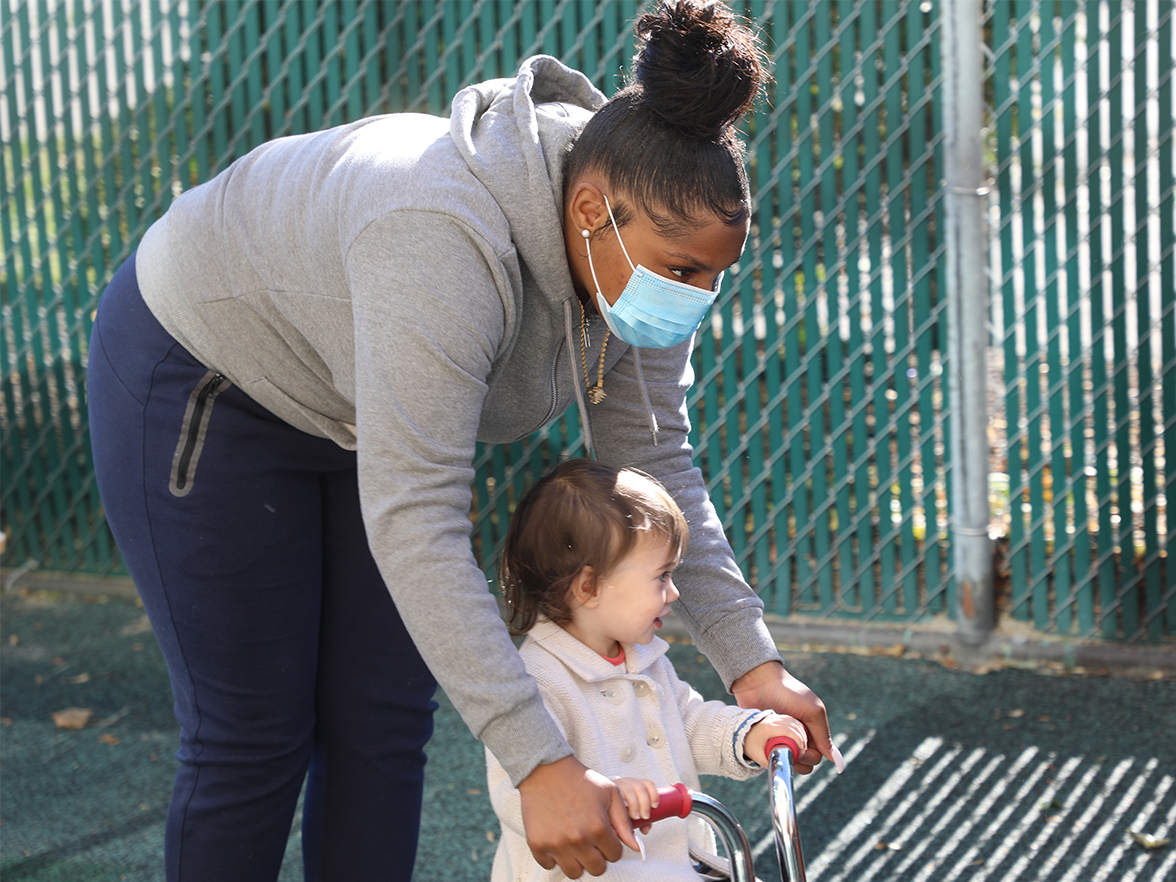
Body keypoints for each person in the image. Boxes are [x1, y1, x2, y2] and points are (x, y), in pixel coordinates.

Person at [85, 1, 842, 880]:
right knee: (253, 731)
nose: (696, 297)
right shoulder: (439, 239)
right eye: (683, 271)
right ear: (591, 209)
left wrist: (752, 664)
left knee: (382, 717)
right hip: (208, 374)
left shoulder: (639, 237)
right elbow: (419, 522)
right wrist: (543, 763)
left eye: (715, 275)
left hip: (354, 397)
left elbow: (658, 462)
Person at [487, 459, 815, 881]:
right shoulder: (535, 680)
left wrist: (747, 733)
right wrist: (600, 791)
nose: (674, 592)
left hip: (674, 865)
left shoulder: (641, 658)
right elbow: (520, 789)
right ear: (589, 587)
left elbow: (687, 722)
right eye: (661, 576)